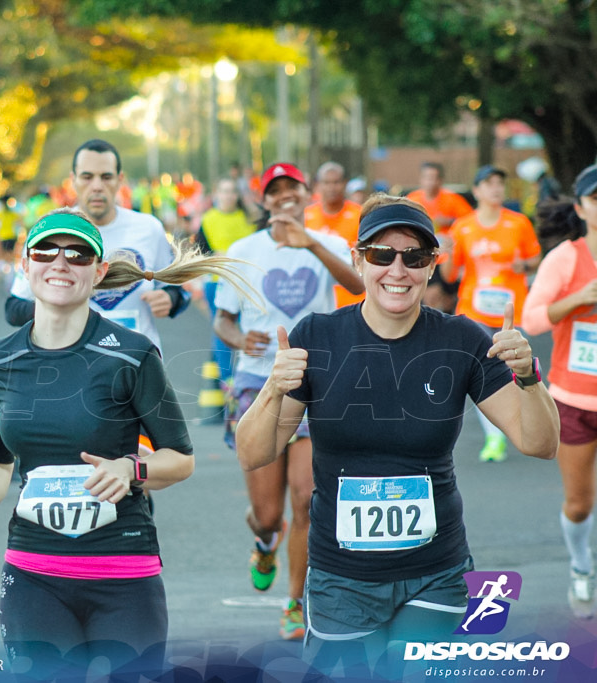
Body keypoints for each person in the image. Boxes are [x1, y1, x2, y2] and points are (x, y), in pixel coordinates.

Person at [235, 194, 558, 677]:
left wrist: (529, 376)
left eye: (415, 257)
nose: (398, 270)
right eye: (382, 256)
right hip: (340, 580)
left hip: (436, 574)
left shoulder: (462, 339)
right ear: (358, 260)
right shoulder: (318, 336)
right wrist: (273, 390)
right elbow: (253, 452)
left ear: (433, 266)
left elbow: (541, 443)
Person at [0, 208, 259, 677]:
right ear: (25, 265)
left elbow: (180, 460)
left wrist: (131, 469)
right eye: (46, 251)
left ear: (99, 272)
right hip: (33, 573)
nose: (61, 263)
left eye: (78, 254)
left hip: (123, 572)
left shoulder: (132, 353)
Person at [213, 162, 364, 641]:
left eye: (292, 190)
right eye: (275, 192)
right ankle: (262, 539)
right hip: (258, 384)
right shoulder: (243, 251)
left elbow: (359, 286)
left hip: (317, 383)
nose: (285, 197)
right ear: (265, 201)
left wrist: (312, 245)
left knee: (306, 498)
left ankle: (295, 602)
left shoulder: (329, 243)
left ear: (306, 195)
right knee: (270, 513)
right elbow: (222, 319)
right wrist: (240, 340)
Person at [5, 139, 190, 352]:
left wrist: (171, 298)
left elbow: (178, 289)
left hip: (137, 365)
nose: (97, 186)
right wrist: (57, 305)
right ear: (73, 180)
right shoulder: (48, 231)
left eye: (106, 177)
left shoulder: (149, 228)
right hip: (74, 367)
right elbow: (13, 309)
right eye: (87, 177)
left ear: (120, 180)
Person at [523, 163, 597, 619]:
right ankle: (580, 565)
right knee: (578, 501)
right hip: (574, 399)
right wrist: (580, 298)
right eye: (596, 200)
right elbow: (533, 320)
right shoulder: (567, 258)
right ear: (581, 208)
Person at [440, 165, 542, 462]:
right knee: (484, 370)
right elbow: (449, 275)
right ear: (477, 191)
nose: (496, 188)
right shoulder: (463, 226)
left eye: (500, 183)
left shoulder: (519, 223)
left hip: (510, 310)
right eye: (489, 183)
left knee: (511, 370)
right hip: (474, 309)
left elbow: (536, 258)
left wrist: (524, 266)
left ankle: (519, 423)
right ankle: (495, 437)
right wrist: (446, 251)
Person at [195, 177, 255, 384]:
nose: (228, 196)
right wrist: (217, 256)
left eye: (232, 191)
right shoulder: (208, 219)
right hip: (217, 282)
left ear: (237, 195)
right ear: (217, 193)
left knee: (247, 327)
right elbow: (200, 253)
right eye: (224, 191)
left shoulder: (247, 219)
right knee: (221, 328)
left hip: (246, 283)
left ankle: (249, 373)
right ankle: (227, 379)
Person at [406, 162, 474, 313]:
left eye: (434, 178)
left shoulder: (452, 200)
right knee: (431, 296)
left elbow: (471, 221)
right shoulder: (412, 200)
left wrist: (449, 220)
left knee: (448, 300)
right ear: (421, 179)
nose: (430, 182)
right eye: (427, 178)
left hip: (447, 256)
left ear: (441, 180)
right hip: (424, 255)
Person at [305, 161, 366, 308]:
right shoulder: (306, 217)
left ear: (345, 184)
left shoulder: (360, 215)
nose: (331, 188)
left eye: (336, 182)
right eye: (326, 183)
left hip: (352, 298)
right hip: (316, 298)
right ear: (318, 185)